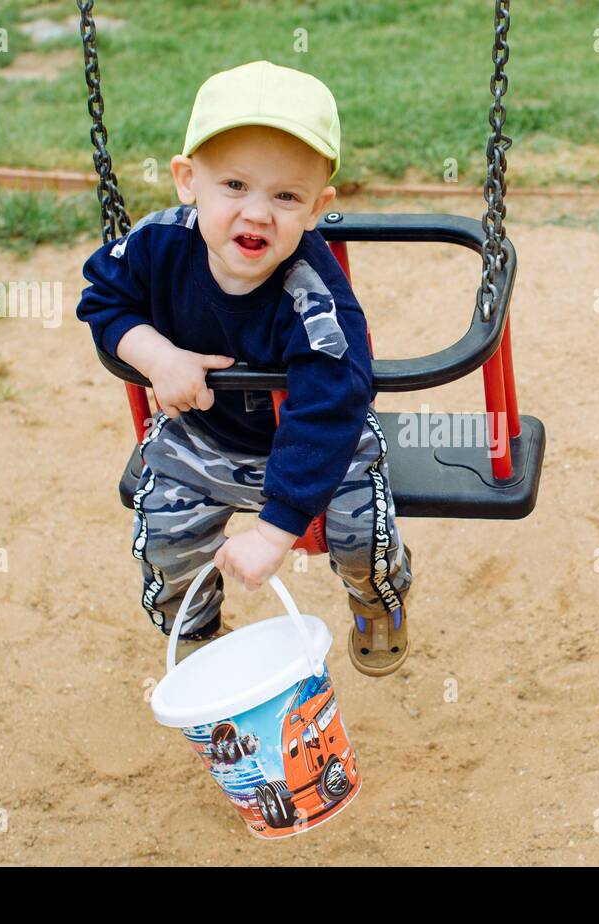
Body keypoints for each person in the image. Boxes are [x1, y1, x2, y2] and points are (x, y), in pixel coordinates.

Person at [76, 61, 412, 676]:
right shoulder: (157, 245)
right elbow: (102, 299)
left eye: (286, 196)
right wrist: (159, 358)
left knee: (364, 538)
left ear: (317, 208)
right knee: (165, 536)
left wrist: (275, 531)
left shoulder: (315, 299)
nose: (257, 213)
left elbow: (329, 407)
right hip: (204, 437)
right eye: (234, 185)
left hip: (317, 444)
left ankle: (374, 600)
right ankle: (197, 630)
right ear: (187, 180)